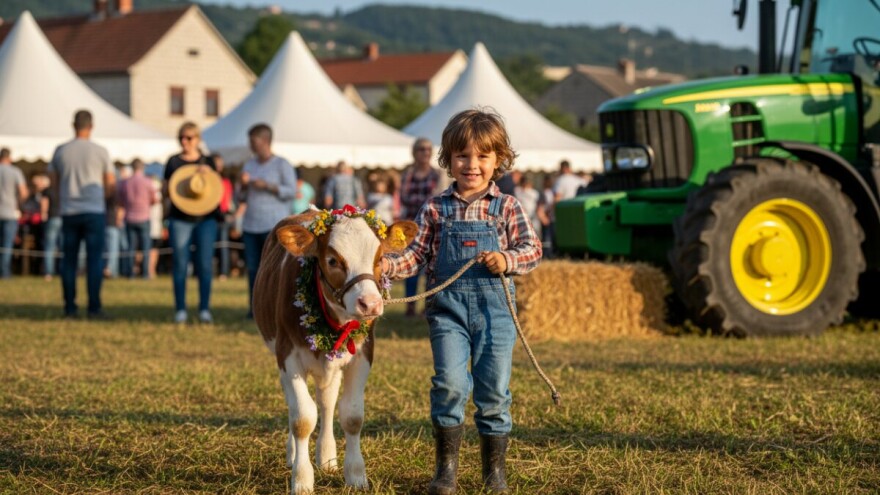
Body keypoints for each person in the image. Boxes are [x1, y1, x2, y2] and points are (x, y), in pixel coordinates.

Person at [382, 109, 542, 494]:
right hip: (447, 312)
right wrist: (382, 266)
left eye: (482, 156)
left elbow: (532, 249)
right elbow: (415, 255)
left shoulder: (507, 207)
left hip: (496, 313)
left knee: (493, 391)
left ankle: (494, 474)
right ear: (448, 160)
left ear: (498, 160)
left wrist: (507, 259)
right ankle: (446, 473)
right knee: (450, 384)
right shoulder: (436, 208)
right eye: (462, 156)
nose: (472, 165)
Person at [48, 109, 115, 319]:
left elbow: (53, 182)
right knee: (94, 261)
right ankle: (94, 307)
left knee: (69, 260)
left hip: (69, 211)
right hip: (94, 211)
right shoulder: (100, 151)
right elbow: (110, 183)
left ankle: (70, 308)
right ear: (91, 126)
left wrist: (61, 201)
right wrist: (101, 199)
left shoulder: (61, 150)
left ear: (73, 125)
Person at [163, 122, 221, 324]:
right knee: (180, 263)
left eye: (189, 137)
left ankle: (204, 308)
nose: (184, 141)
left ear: (197, 139)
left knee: (205, 264)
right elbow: (165, 191)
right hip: (180, 219)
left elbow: (216, 190)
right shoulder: (173, 162)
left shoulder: (208, 161)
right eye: (181, 138)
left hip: (206, 219)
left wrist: (210, 174)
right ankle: (180, 308)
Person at [237, 123, 296, 319]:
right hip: (251, 225)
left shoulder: (282, 164)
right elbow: (240, 197)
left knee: (275, 270)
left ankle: (276, 309)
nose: (251, 146)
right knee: (253, 269)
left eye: (253, 141)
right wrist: (243, 187)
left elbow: (291, 192)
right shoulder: (249, 165)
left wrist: (269, 186)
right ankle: (254, 308)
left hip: (273, 226)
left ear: (265, 141)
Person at [398, 137, 441, 317]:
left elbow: (438, 197)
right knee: (411, 265)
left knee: (431, 267)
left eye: (428, 149)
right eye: (421, 149)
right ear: (414, 152)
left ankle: (427, 306)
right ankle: (410, 305)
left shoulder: (437, 174)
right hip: (410, 226)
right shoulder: (408, 174)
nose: (425, 152)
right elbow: (403, 197)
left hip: (431, 225)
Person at [117, 159, 156, 279]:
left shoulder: (125, 182)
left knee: (131, 247)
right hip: (144, 217)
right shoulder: (148, 181)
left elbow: (120, 200)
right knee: (145, 247)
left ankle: (131, 273)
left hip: (129, 218)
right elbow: (154, 199)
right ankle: (145, 274)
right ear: (142, 167)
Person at [0, 148, 28, 278]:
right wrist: (18, 204)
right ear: (9, 158)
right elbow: (23, 192)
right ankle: (4, 273)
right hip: (10, 212)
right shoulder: (15, 171)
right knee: (7, 244)